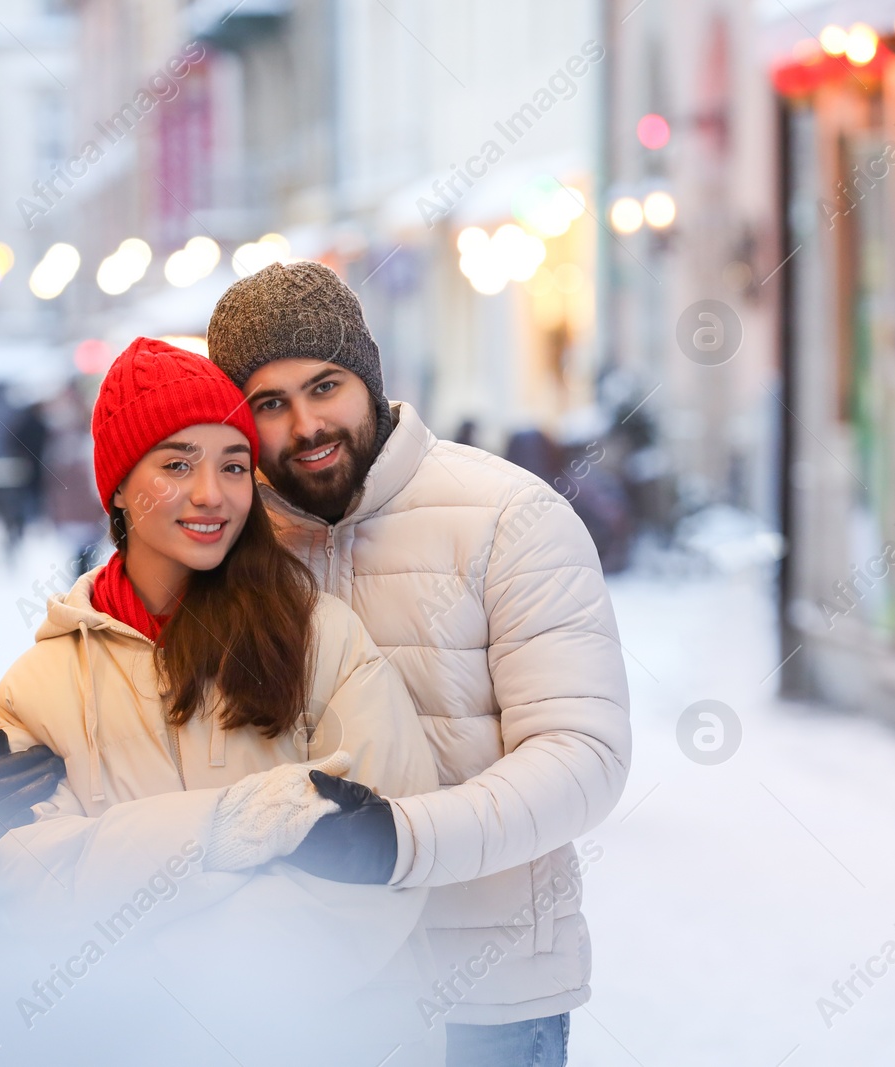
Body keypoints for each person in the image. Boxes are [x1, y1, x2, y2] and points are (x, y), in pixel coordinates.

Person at [0, 338, 441, 1063]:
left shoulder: (321, 640)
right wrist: (228, 827)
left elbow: (377, 867)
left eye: (234, 465)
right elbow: (28, 892)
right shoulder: (39, 687)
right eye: (177, 463)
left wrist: (160, 979)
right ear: (119, 485)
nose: (212, 494)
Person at [207, 262, 632, 1066]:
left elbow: (584, 758)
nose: (305, 424)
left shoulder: (510, 518)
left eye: (324, 384)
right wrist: (49, 753)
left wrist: (399, 842)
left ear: (368, 377)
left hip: (484, 1000)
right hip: (299, 995)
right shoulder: (233, 542)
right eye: (270, 402)